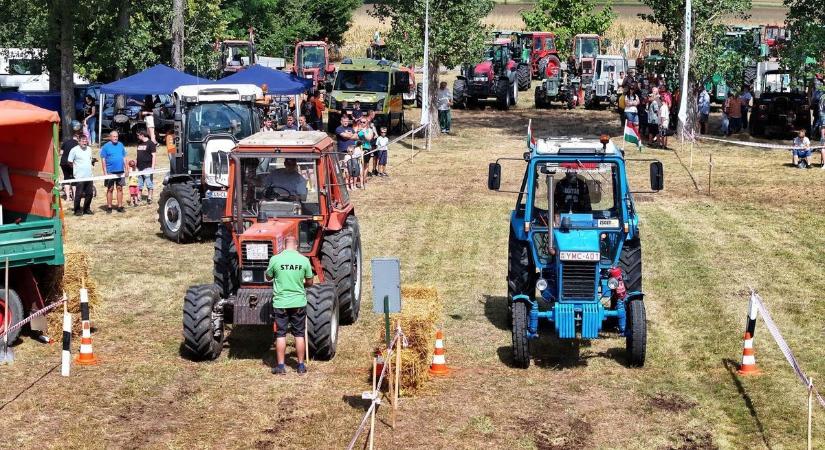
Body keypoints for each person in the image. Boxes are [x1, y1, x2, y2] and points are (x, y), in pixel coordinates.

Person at [265, 235, 314, 375]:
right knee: (299, 334)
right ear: (297, 245)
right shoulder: (304, 260)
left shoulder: (275, 259)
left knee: (280, 334)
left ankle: (280, 367)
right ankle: (300, 366)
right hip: (298, 302)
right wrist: (301, 281)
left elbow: (268, 277)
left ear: (283, 246)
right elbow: (310, 282)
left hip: (280, 303)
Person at [100, 131, 128, 213]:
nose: (115, 138)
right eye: (114, 136)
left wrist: (126, 169)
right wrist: (105, 172)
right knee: (110, 189)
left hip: (120, 171)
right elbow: (103, 160)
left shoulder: (121, 145)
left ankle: (120, 206)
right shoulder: (105, 147)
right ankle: (109, 207)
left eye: (117, 136)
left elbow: (124, 157)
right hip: (110, 172)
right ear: (110, 137)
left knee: (120, 188)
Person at [68, 135, 94, 215]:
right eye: (82, 141)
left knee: (90, 193)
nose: (84, 143)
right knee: (78, 194)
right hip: (79, 177)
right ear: (78, 141)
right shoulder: (74, 150)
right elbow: (70, 162)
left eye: (86, 141)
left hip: (89, 176)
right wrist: (76, 170)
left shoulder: (89, 149)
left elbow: (90, 159)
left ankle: (86, 209)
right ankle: (77, 210)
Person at [60, 122, 82, 201]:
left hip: (63, 163)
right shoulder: (77, 145)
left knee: (66, 178)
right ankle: (75, 196)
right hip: (72, 163)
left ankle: (68, 198)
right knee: (73, 178)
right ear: (78, 137)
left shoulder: (66, 142)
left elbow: (61, 153)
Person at [135, 130, 157, 204]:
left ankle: (149, 197)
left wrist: (153, 167)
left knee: (149, 183)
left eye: (138, 135)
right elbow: (138, 155)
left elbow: (154, 155)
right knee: (139, 183)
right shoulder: (139, 143)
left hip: (148, 166)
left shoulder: (150, 143)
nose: (137, 137)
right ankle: (139, 197)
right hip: (139, 167)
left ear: (142, 135)